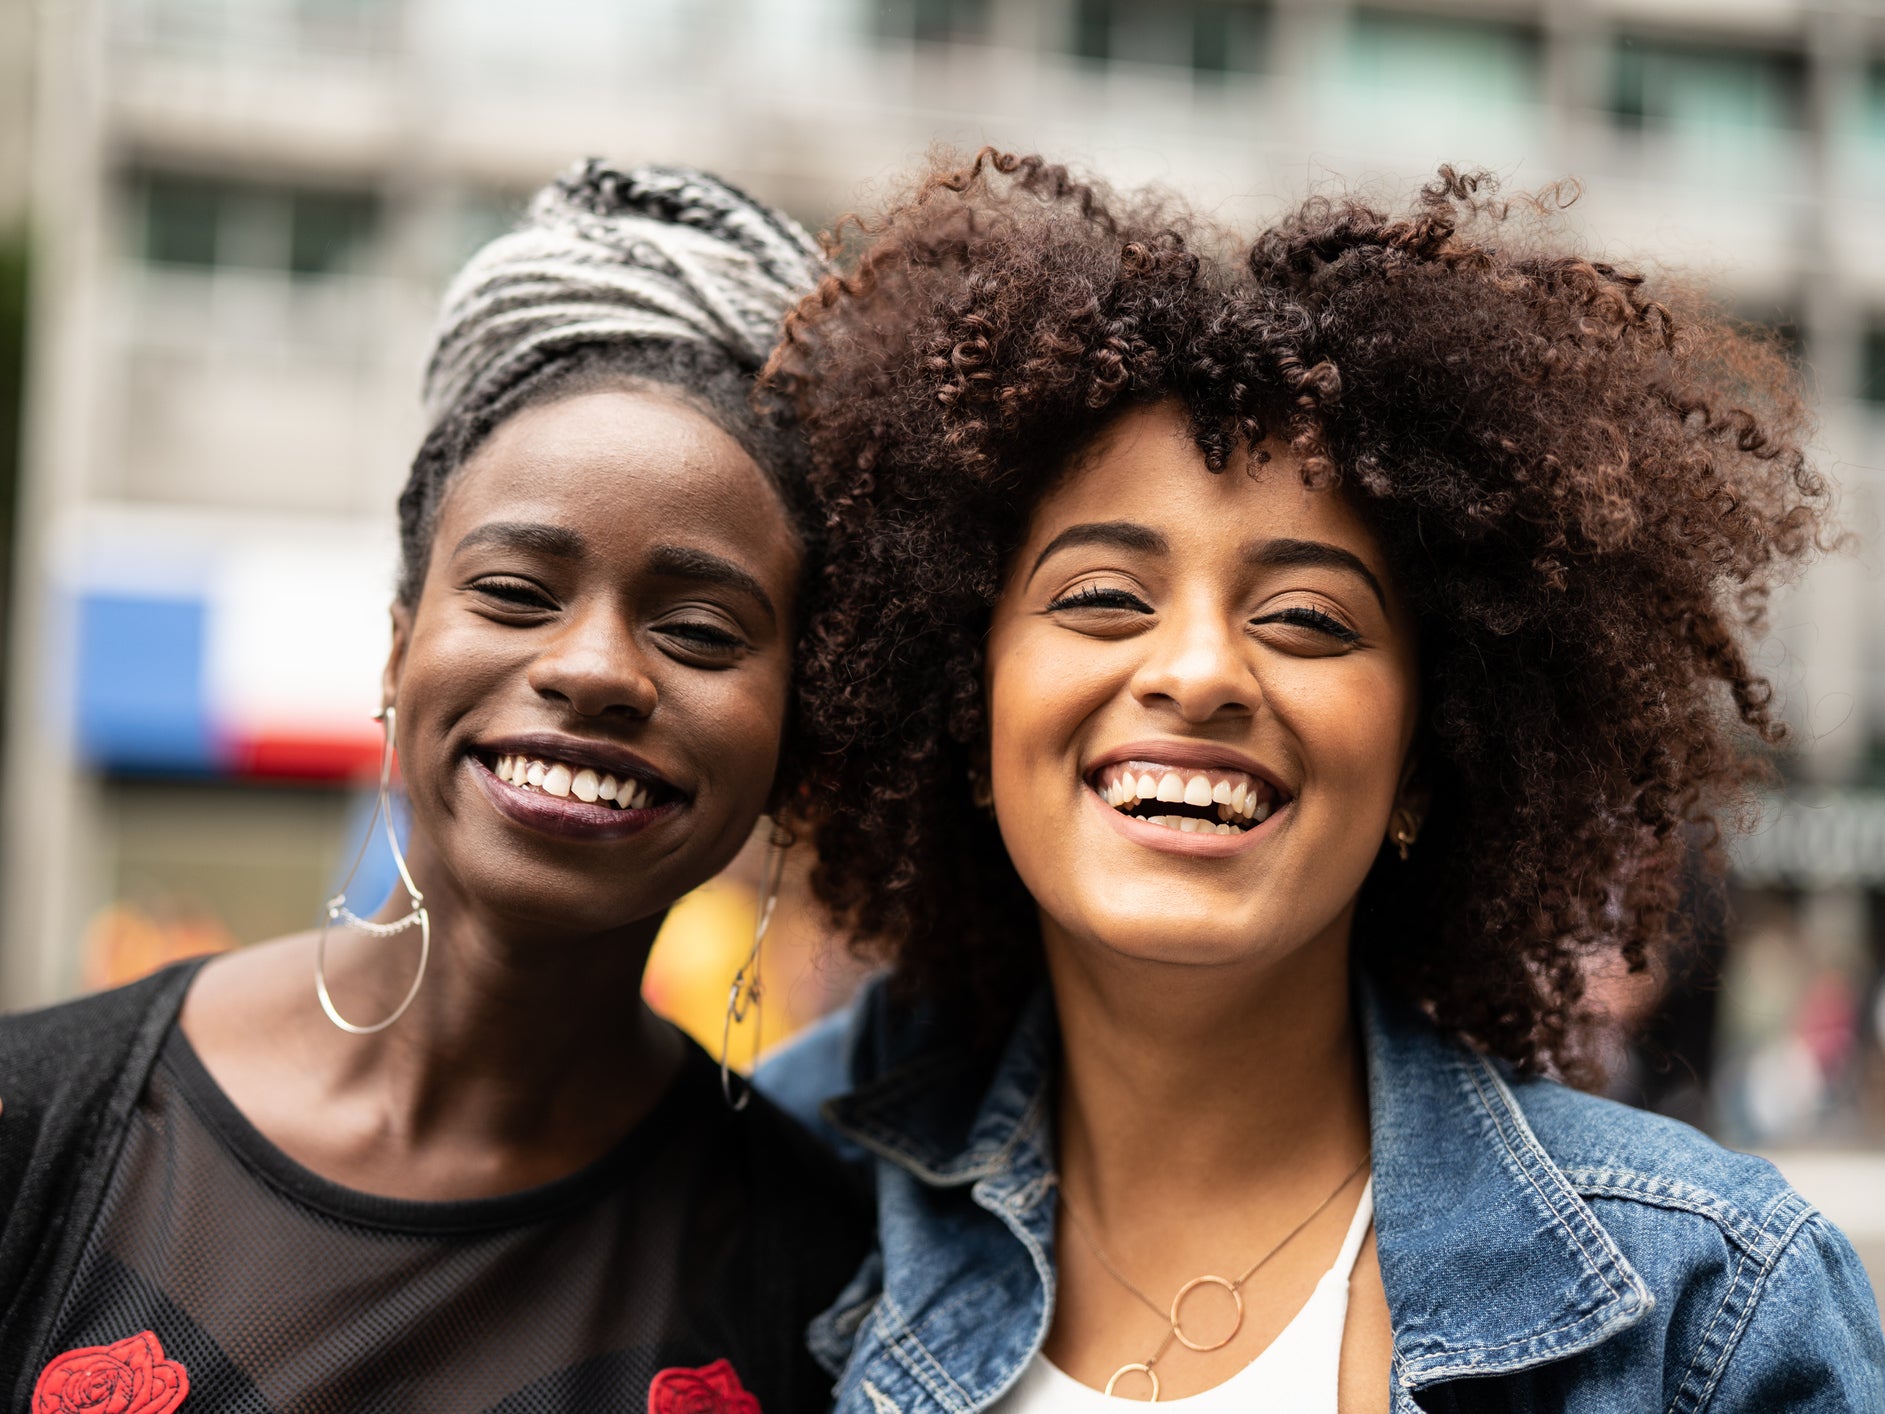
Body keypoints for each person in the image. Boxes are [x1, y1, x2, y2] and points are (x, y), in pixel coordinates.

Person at [758, 151, 1885, 1412]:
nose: (1197, 672)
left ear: (1423, 756)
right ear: (967, 712)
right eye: (1099, 599)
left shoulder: (1713, 1309)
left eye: (1305, 618)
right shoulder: (782, 1185)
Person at [0, 161, 868, 1413]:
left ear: (797, 730)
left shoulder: (835, 1287)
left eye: (700, 630)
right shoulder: (44, 1126)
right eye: (517, 594)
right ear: (400, 651)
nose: (593, 670)